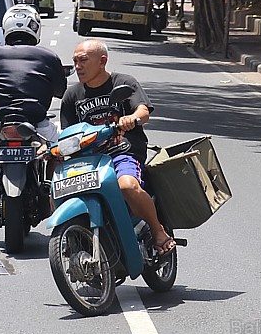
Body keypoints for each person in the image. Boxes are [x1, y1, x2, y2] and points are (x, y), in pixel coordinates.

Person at [60, 39, 177, 256]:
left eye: (83, 60)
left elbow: (143, 111)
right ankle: (69, 238)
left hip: (123, 152)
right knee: (58, 190)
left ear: (102, 61)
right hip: (88, 160)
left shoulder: (123, 82)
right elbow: (66, 133)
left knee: (126, 186)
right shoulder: (72, 95)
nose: (78, 67)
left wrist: (132, 118)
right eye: (75, 61)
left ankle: (158, 230)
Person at [0, 4, 67, 208]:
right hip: (38, 124)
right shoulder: (49, 56)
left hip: (2, 123)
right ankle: (49, 192)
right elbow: (60, 91)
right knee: (60, 151)